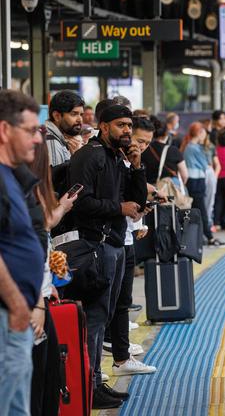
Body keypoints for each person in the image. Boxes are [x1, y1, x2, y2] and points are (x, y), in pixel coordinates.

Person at [62, 104, 147, 409]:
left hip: (113, 245)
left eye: (129, 125)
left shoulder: (116, 157)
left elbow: (136, 201)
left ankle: (97, 380)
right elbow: (80, 202)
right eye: (121, 125)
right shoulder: (90, 156)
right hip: (93, 247)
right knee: (95, 321)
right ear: (103, 125)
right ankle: (89, 385)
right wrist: (118, 209)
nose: (127, 130)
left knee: (105, 317)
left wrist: (137, 166)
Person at [0, 91, 47, 416]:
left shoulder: (14, 179)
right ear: (4, 131)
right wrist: (18, 306)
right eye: (31, 130)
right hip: (8, 317)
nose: (38, 139)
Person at [27, 135, 78, 416]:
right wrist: (36, 300)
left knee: (48, 378)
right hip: (27, 303)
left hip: (38, 296)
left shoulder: (25, 189)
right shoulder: (16, 191)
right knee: (34, 386)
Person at [104, 117, 157, 378]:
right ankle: (112, 354)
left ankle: (121, 355)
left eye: (147, 143)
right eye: (139, 140)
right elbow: (116, 200)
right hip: (111, 239)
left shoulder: (131, 162)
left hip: (125, 235)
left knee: (123, 301)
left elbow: (134, 200)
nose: (142, 146)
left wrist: (139, 222)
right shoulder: (108, 160)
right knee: (110, 304)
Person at [181, 122, 225, 247]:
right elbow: (205, 164)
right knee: (201, 210)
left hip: (194, 180)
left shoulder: (189, 146)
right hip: (197, 180)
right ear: (199, 133)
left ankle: (201, 236)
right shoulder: (194, 148)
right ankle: (209, 237)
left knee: (198, 209)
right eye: (204, 132)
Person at [141, 116, 188, 188]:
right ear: (166, 133)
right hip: (170, 189)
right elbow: (184, 175)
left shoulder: (144, 149)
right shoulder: (174, 150)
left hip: (149, 188)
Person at [45, 90, 85, 167]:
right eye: (74, 114)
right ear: (57, 116)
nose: (80, 119)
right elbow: (55, 178)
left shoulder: (57, 138)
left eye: (81, 114)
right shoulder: (52, 143)